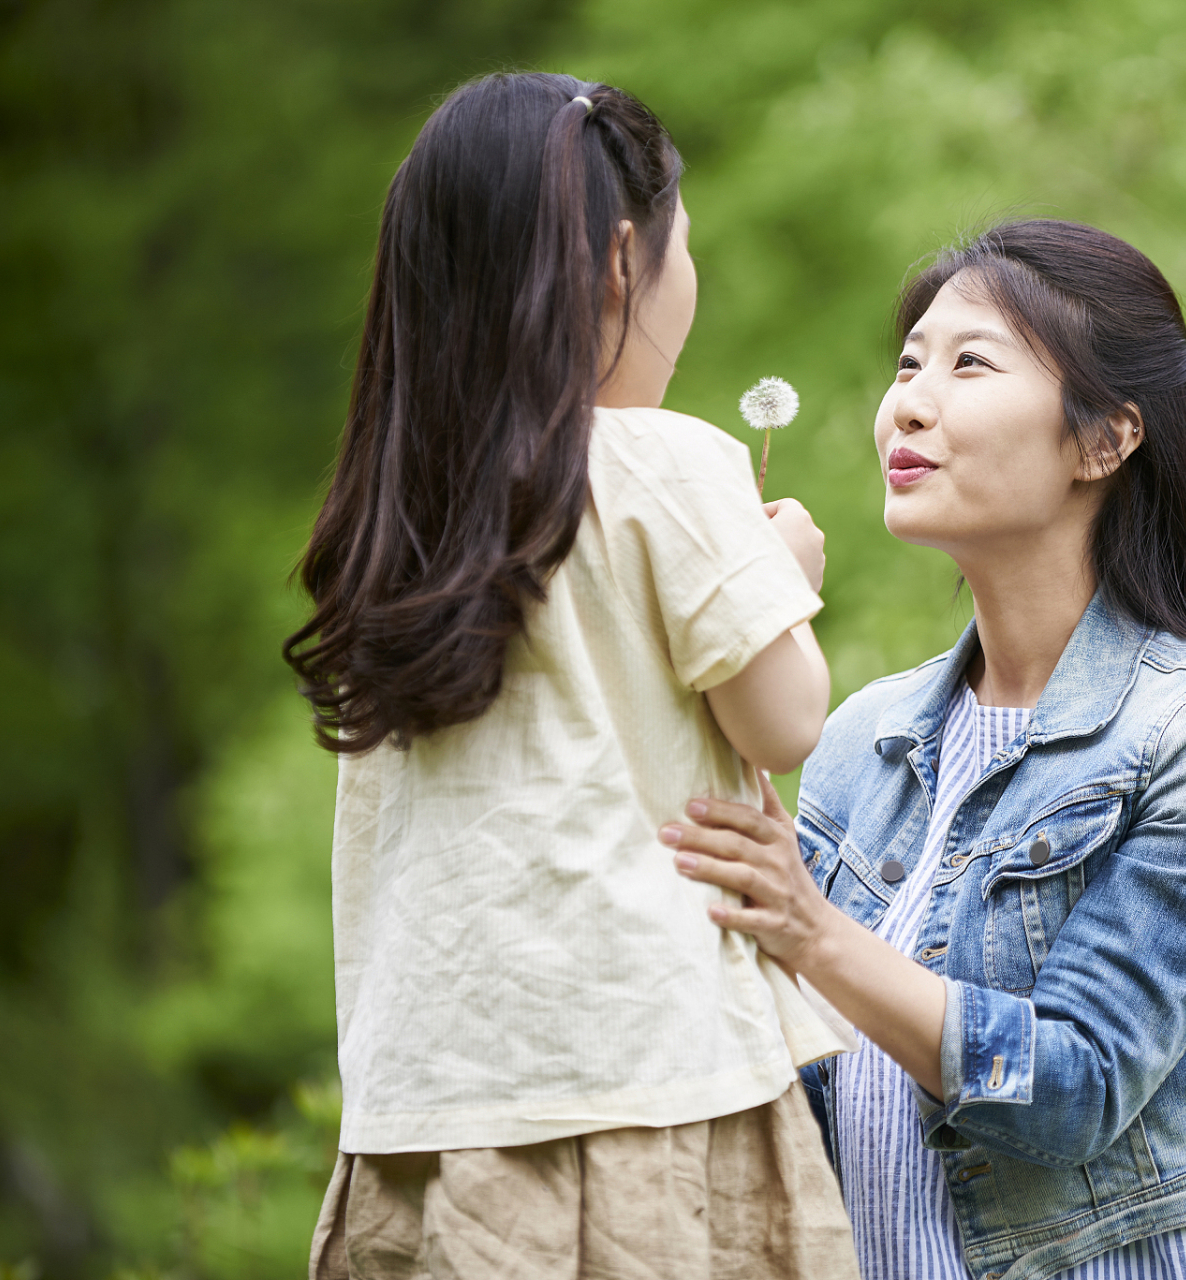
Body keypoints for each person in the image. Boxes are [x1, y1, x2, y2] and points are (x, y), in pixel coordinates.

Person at [668, 219, 1186, 1279]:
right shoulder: (861, 738)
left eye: (968, 362)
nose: (909, 401)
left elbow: (1071, 1086)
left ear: (1102, 441)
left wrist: (808, 930)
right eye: (907, 364)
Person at [284, 71, 856, 1280]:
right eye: (682, 248)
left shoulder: (399, 516)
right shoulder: (665, 461)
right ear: (618, 260)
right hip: (643, 1078)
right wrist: (779, 568)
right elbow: (787, 715)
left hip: (431, 1108)